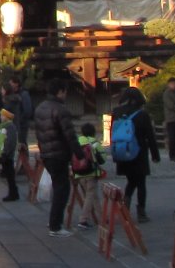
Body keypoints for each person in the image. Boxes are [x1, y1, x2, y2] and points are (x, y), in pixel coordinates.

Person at [33, 79, 83, 236]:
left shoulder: (40, 108)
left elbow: (38, 133)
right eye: (64, 91)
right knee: (62, 189)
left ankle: (54, 220)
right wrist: (79, 154)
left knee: (58, 187)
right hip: (59, 153)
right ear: (60, 92)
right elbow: (70, 135)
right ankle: (55, 226)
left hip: (46, 153)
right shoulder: (60, 109)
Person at [111, 86, 159, 223]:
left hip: (122, 150)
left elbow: (113, 133)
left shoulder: (116, 112)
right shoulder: (142, 114)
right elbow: (150, 136)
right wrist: (155, 154)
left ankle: (125, 207)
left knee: (131, 180)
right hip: (138, 152)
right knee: (141, 182)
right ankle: (141, 212)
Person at [73, 122, 105, 229]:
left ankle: (101, 217)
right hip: (91, 172)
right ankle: (83, 219)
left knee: (93, 195)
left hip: (79, 173)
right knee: (90, 195)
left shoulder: (77, 141)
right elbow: (103, 159)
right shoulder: (95, 143)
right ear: (93, 132)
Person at [0, 106, 20, 201]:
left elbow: (10, 141)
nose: (1, 117)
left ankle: (13, 193)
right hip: (5, 153)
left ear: (7, 116)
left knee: (10, 175)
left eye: (2, 115)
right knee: (8, 175)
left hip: (7, 155)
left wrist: (5, 152)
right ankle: (13, 192)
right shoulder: (4, 126)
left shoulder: (9, 126)